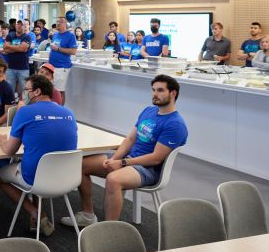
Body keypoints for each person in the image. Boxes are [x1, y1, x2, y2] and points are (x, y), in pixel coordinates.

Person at [62, 74, 188, 226]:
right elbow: (130, 139)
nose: (154, 94)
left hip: (148, 170)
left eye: (160, 90)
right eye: (153, 90)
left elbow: (155, 158)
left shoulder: (175, 124)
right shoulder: (149, 111)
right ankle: (88, 215)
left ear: (173, 93)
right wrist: (115, 159)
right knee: (81, 164)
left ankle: (109, 230)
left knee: (113, 180)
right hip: (129, 160)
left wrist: (122, 163)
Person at [0, 74, 78, 237]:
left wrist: (1, 141)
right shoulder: (69, 113)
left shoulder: (25, 112)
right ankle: (37, 213)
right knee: (41, 165)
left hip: (35, 177)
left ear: (37, 92)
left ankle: (35, 212)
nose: (23, 94)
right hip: (67, 177)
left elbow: (10, 151)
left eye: (26, 90)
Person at [48, 16, 78, 102]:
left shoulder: (70, 36)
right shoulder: (55, 34)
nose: (58, 23)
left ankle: (60, 111)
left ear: (65, 24)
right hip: (52, 66)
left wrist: (58, 49)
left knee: (59, 91)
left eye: (60, 22)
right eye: (57, 21)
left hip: (62, 67)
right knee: (52, 90)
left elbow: (73, 51)